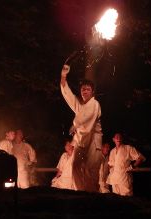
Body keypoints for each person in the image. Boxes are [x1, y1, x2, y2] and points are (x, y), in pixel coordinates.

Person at [60, 64, 103, 192]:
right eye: (83, 89)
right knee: (75, 166)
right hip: (81, 141)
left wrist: (75, 125)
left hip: (93, 142)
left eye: (88, 89)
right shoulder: (80, 107)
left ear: (92, 92)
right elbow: (68, 96)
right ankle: (80, 192)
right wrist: (63, 76)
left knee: (91, 171)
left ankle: (92, 196)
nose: (84, 91)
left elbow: (87, 116)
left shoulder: (95, 104)